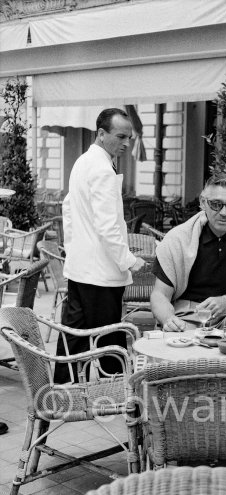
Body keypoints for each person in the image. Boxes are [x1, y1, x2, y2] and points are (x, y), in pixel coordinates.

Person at [55, 108, 145, 384]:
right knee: (110, 343)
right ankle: (117, 394)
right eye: (121, 136)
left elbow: (68, 210)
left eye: (129, 137)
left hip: (80, 268)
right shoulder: (103, 169)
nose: (126, 143)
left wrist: (73, 251)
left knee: (73, 336)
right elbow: (108, 227)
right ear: (101, 134)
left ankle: (61, 390)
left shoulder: (83, 162)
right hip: (101, 274)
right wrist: (129, 260)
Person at [151, 173, 226, 331]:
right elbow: (159, 295)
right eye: (216, 204)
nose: (224, 212)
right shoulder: (177, 239)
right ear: (203, 203)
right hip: (189, 316)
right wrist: (169, 319)